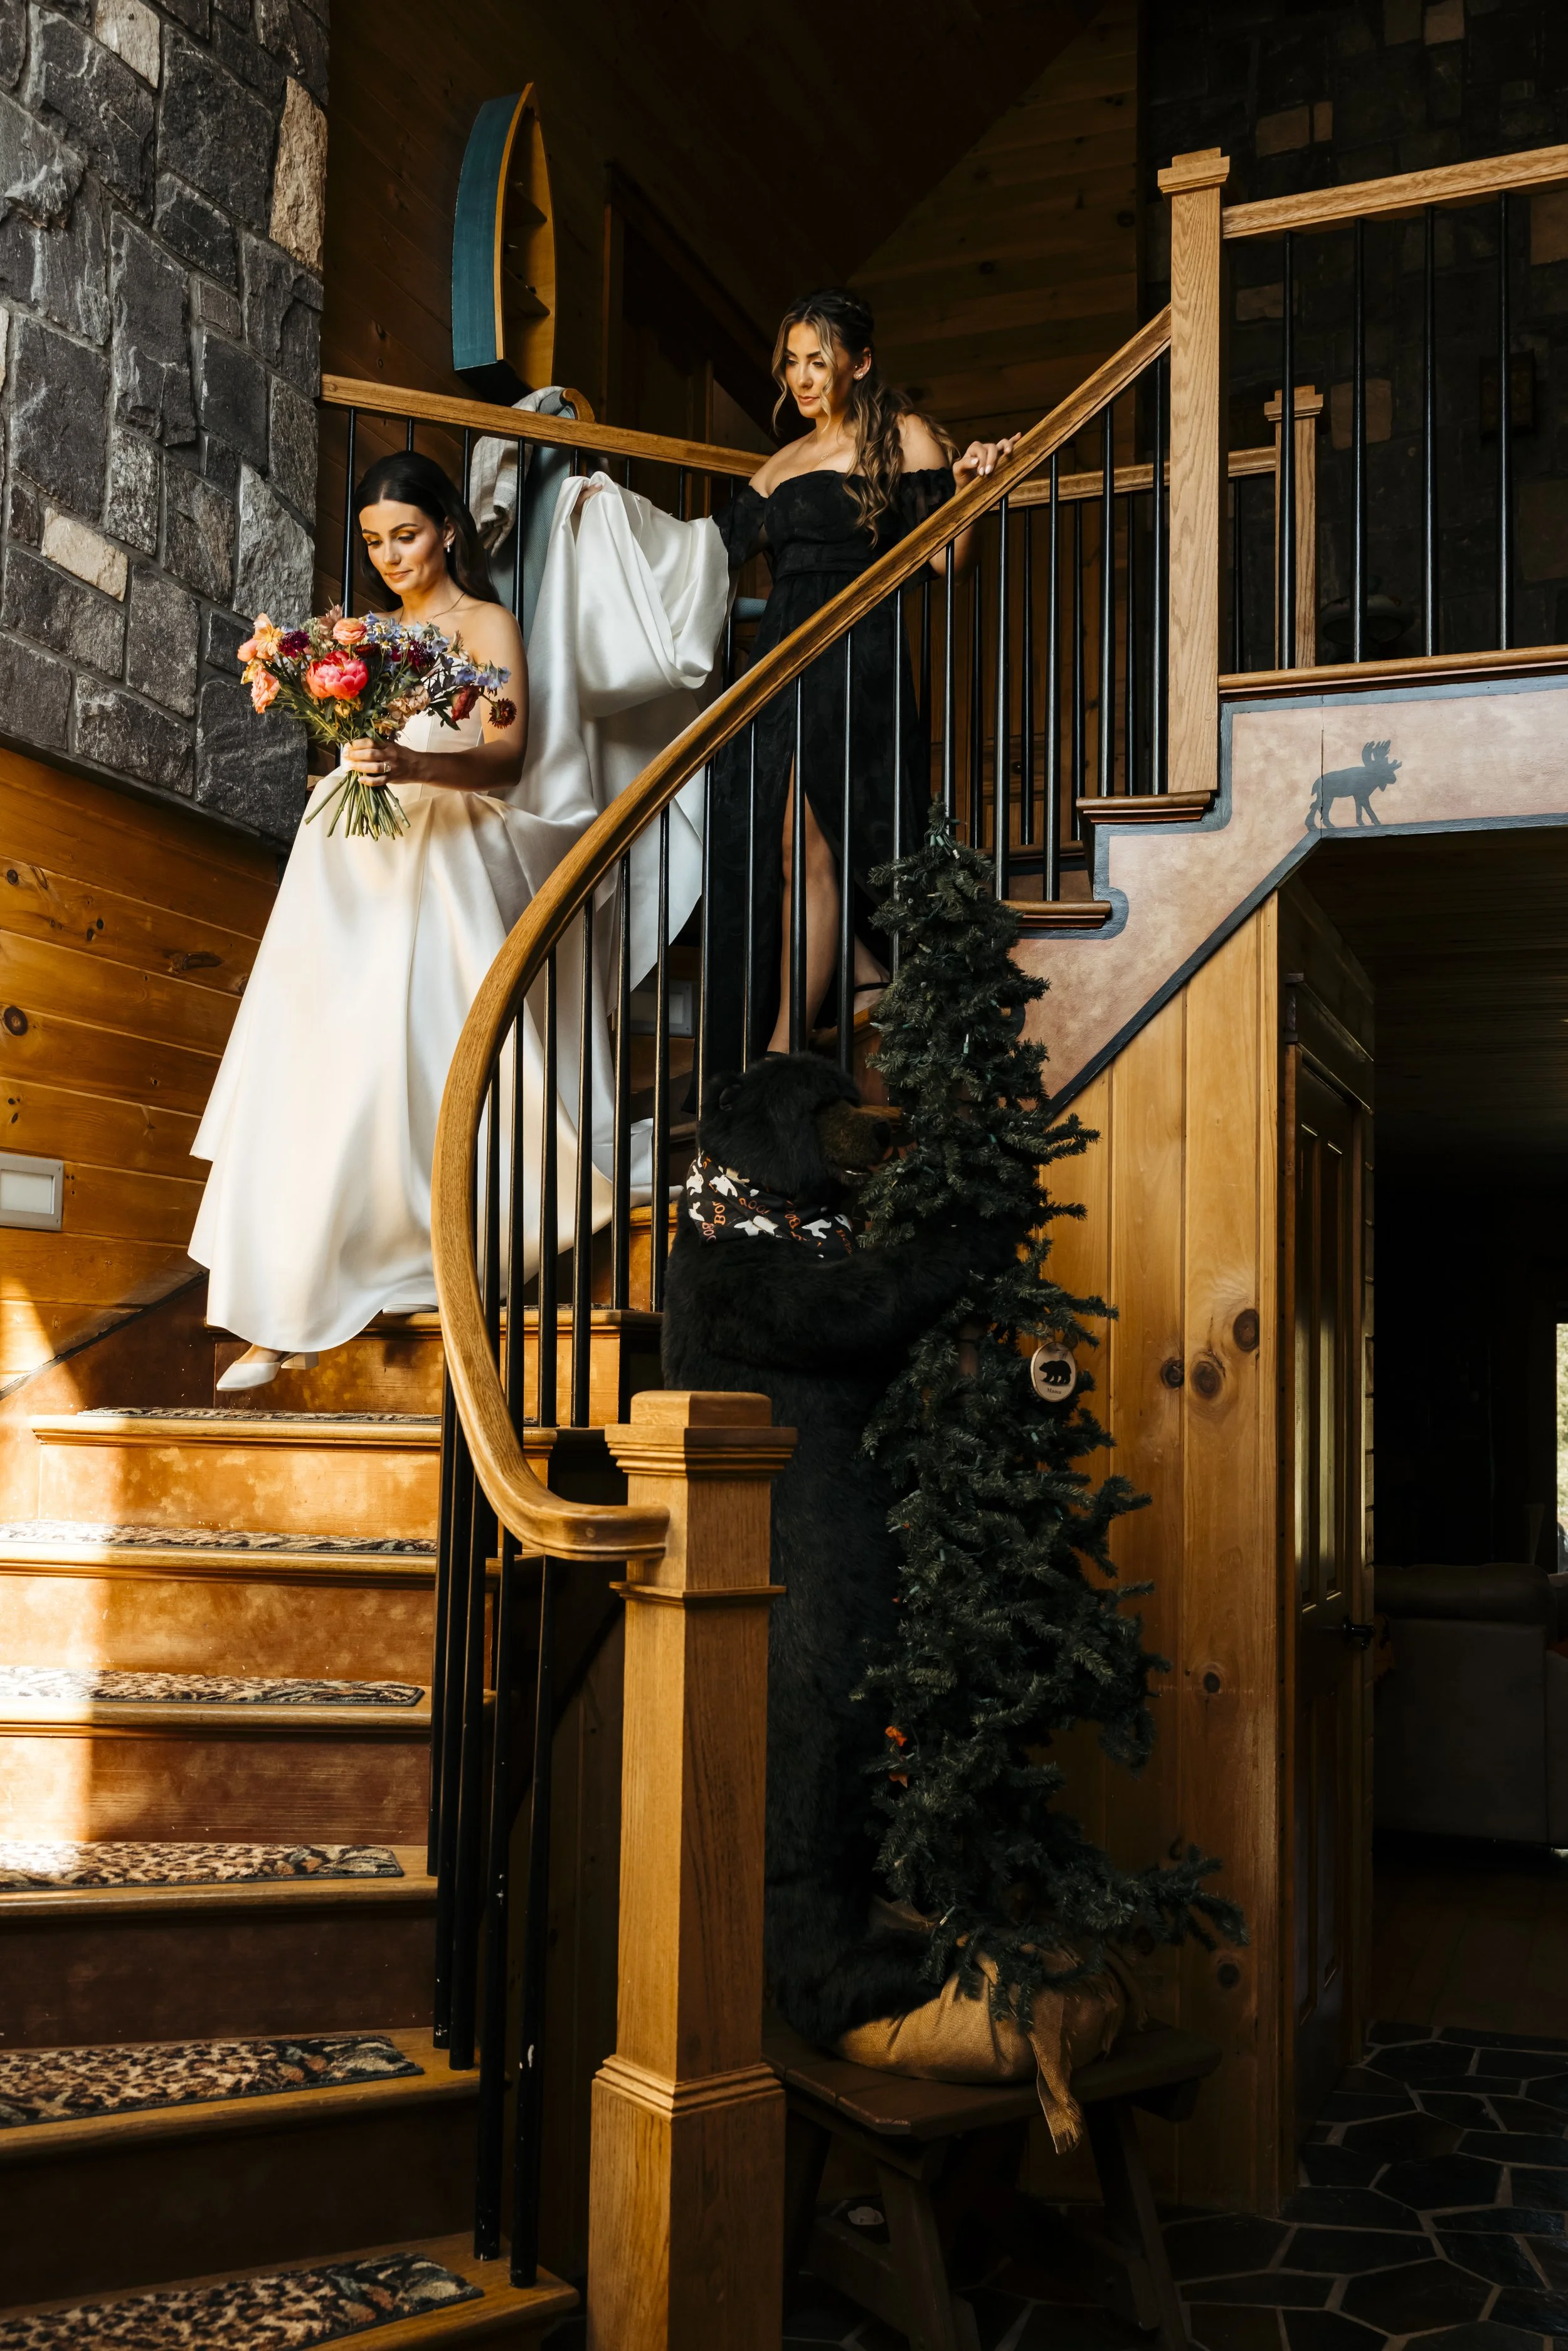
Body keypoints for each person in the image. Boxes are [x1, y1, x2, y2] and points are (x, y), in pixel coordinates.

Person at [194, 447, 732, 1393]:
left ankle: (434, 1253)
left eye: (405, 536)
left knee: (403, 1044)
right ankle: (276, 1306)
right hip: (351, 850)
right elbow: (353, 731)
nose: (391, 557)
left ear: (447, 528)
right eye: (374, 543)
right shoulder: (361, 637)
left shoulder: (487, 625)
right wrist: (354, 756)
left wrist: (416, 766)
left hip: (447, 825)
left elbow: (508, 753)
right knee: (312, 1057)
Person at [699, 288, 1019, 1069]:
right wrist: (600, 513)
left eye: (819, 360)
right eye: (792, 363)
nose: (803, 377)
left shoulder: (904, 436)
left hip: (854, 657)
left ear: (861, 362)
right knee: (784, 850)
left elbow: (946, 561)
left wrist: (971, 494)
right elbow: (700, 560)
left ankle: (780, 1056)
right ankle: (861, 975)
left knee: (816, 841)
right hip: (779, 665)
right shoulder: (781, 464)